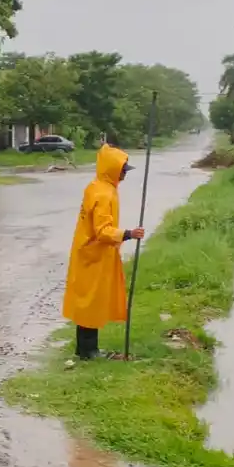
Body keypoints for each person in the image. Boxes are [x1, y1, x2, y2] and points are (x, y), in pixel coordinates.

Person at [63, 143, 145, 359]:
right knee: (90, 302)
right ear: (112, 169)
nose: (125, 175)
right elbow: (102, 231)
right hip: (94, 255)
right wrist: (128, 233)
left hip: (87, 252)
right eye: (123, 171)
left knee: (86, 302)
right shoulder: (105, 194)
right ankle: (89, 352)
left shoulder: (96, 186)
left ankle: (84, 350)